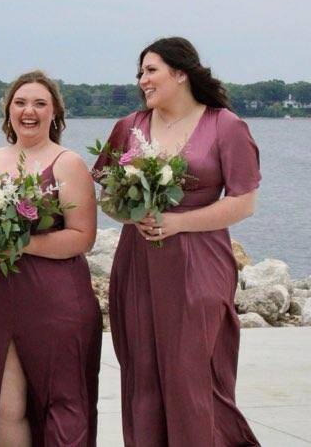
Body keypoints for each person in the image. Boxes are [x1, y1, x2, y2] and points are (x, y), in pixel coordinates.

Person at [93, 37, 261, 445]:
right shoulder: (128, 127)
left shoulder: (225, 125)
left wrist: (178, 223)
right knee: (143, 376)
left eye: (151, 70)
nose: (142, 80)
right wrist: (135, 213)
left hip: (200, 264)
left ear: (181, 73)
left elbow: (244, 202)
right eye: (140, 73)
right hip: (138, 264)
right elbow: (106, 197)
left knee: (193, 376)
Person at [0, 70, 102, 446]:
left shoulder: (67, 163)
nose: (29, 111)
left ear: (54, 113)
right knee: (5, 405)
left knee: (61, 403)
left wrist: (20, 245)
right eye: (20, 102)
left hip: (55, 299)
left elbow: (82, 236)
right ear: (8, 111)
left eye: (40, 103)